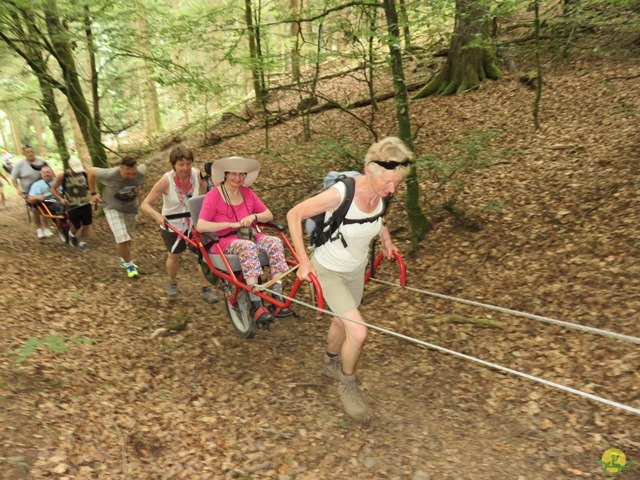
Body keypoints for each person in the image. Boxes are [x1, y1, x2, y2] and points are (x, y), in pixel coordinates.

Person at [286, 136, 412, 422]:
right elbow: (294, 214)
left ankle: (331, 363)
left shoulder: (382, 194)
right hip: (328, 269)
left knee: (342, 321)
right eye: (387, 183)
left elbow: (379, 219)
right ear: (369, 171)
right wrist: (304, 262)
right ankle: (348, 383)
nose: (392, 190)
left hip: (356, 269)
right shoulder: (341, 194)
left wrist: (387, 241)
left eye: (397, 183)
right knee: (358, 332)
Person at [195, 156, 292, 324]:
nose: (238, 178)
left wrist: (253, 216)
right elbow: (201, 226)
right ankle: (256, 305)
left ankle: (278, 296)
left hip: (250, 234)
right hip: (224, 240)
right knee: (247, 247)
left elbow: (268, 215)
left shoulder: (247, 193)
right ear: (225, 174)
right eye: (234, 174)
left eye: (242, 175)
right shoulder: (213, 196)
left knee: (275, 242)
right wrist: (229, 224)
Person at [141, 144, 219, 303]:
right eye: (181, 164)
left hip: (194, 222)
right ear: (173, 165)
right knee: (174, 255)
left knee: (203, 254)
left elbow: (211, 193)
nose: (185, 168)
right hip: (171, 222)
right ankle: (173, 282)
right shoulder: (166, 180)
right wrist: (156, 215)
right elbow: (145, 204)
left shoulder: (197, 175)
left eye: (188, 163)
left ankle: (206, 288)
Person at [87, 156, 146, 278]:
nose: (131, 176)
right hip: (112, 207)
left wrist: (141, 188)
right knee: (122, 238)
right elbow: (91, 171)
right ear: (120, 168)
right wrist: (93, 193)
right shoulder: (110, 174)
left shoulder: (141, 171)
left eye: (133, 173)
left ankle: (123, 259)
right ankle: (130, 265)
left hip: (131, 208)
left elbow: (141, 179)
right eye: (127, 174)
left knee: (128, 238)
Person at [50, 156, 93, 251]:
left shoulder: (84, 174)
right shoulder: (63, 175)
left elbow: (91, 186)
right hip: (72, 206)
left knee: (86, 224)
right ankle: (71, 234)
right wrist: (60, 199)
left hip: (85, 203)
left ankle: (83, 242)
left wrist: (94, 194)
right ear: (69, 166)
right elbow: (53, 189)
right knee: (76, 226)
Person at [10, 145, 50, 238]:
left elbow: (50, 172)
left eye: (31, 151)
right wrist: (18, 189)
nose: (30, 153)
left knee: (46, 206)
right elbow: (13, 178)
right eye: (27, 152)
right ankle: (39, 229)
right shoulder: (20, 165)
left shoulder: (42, 161)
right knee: (35, 208)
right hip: (28, 190)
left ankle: (47, 228)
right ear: (24, 154)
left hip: (42, 187)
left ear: (34, 152)